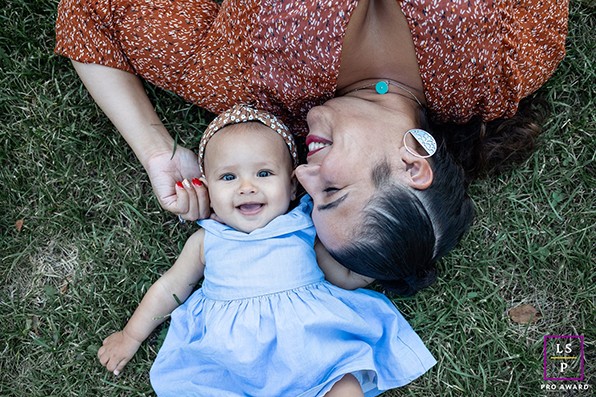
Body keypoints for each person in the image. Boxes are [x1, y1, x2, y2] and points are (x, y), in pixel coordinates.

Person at [54, 0, 569, 295]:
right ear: (414, 165)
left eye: (310, 197)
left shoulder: (252, 74)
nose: (302, 174)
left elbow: (89, 18)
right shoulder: (502, 66)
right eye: (334, 190)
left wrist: (158, 153)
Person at [97, 105, 436, 396]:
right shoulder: (207, 241)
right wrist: (131, 335)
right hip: (232, 356)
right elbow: (170, 289)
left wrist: (376, 265)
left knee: (343, 381)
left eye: (263, 173)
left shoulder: (303, 228)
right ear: (207, 188)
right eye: (228, 177)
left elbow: (340, 275)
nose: (247, 187)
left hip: (310, 347)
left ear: (291, 185)